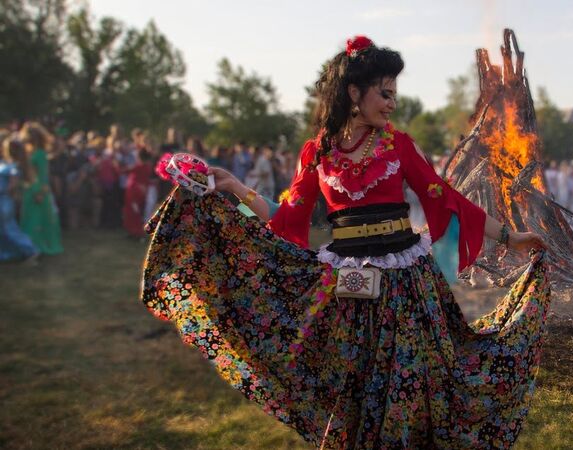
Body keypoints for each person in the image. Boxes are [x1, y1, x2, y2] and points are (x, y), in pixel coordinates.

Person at [141, 35, 548, 449]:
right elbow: (287, 218)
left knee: (411, 382)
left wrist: (512, 238)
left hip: (405, 286)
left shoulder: (399, 145)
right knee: (352, 389)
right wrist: (233, 185)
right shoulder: (317, 153)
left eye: (394, 95)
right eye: (384, 93)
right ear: (354, 92)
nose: (391, 103)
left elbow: (449, 200)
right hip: (347, 289)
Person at [19, 122, 63, 255]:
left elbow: (44, 176)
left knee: (37, 221)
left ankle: (40, 246)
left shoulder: (40, 154)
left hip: (38, 192)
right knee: (30, 219)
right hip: (30, 190)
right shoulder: (32, 152)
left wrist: (41, 193)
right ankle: (31, 246)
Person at [0, 138, 39, 264]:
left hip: (4, 201)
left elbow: (13, 185)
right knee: (5, 229)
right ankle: (8, 253)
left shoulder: (13, 167)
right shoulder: (9, 164)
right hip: (4, 200)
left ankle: (31, 250)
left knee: (9, 228)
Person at [122, 149, 154, 239]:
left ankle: (137, 232)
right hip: (138, 193)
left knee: (134, 212)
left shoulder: (139, 166)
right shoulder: (147, 167)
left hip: (134, 193)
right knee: (135, 211)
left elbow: (124, 170)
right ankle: (132, 231)